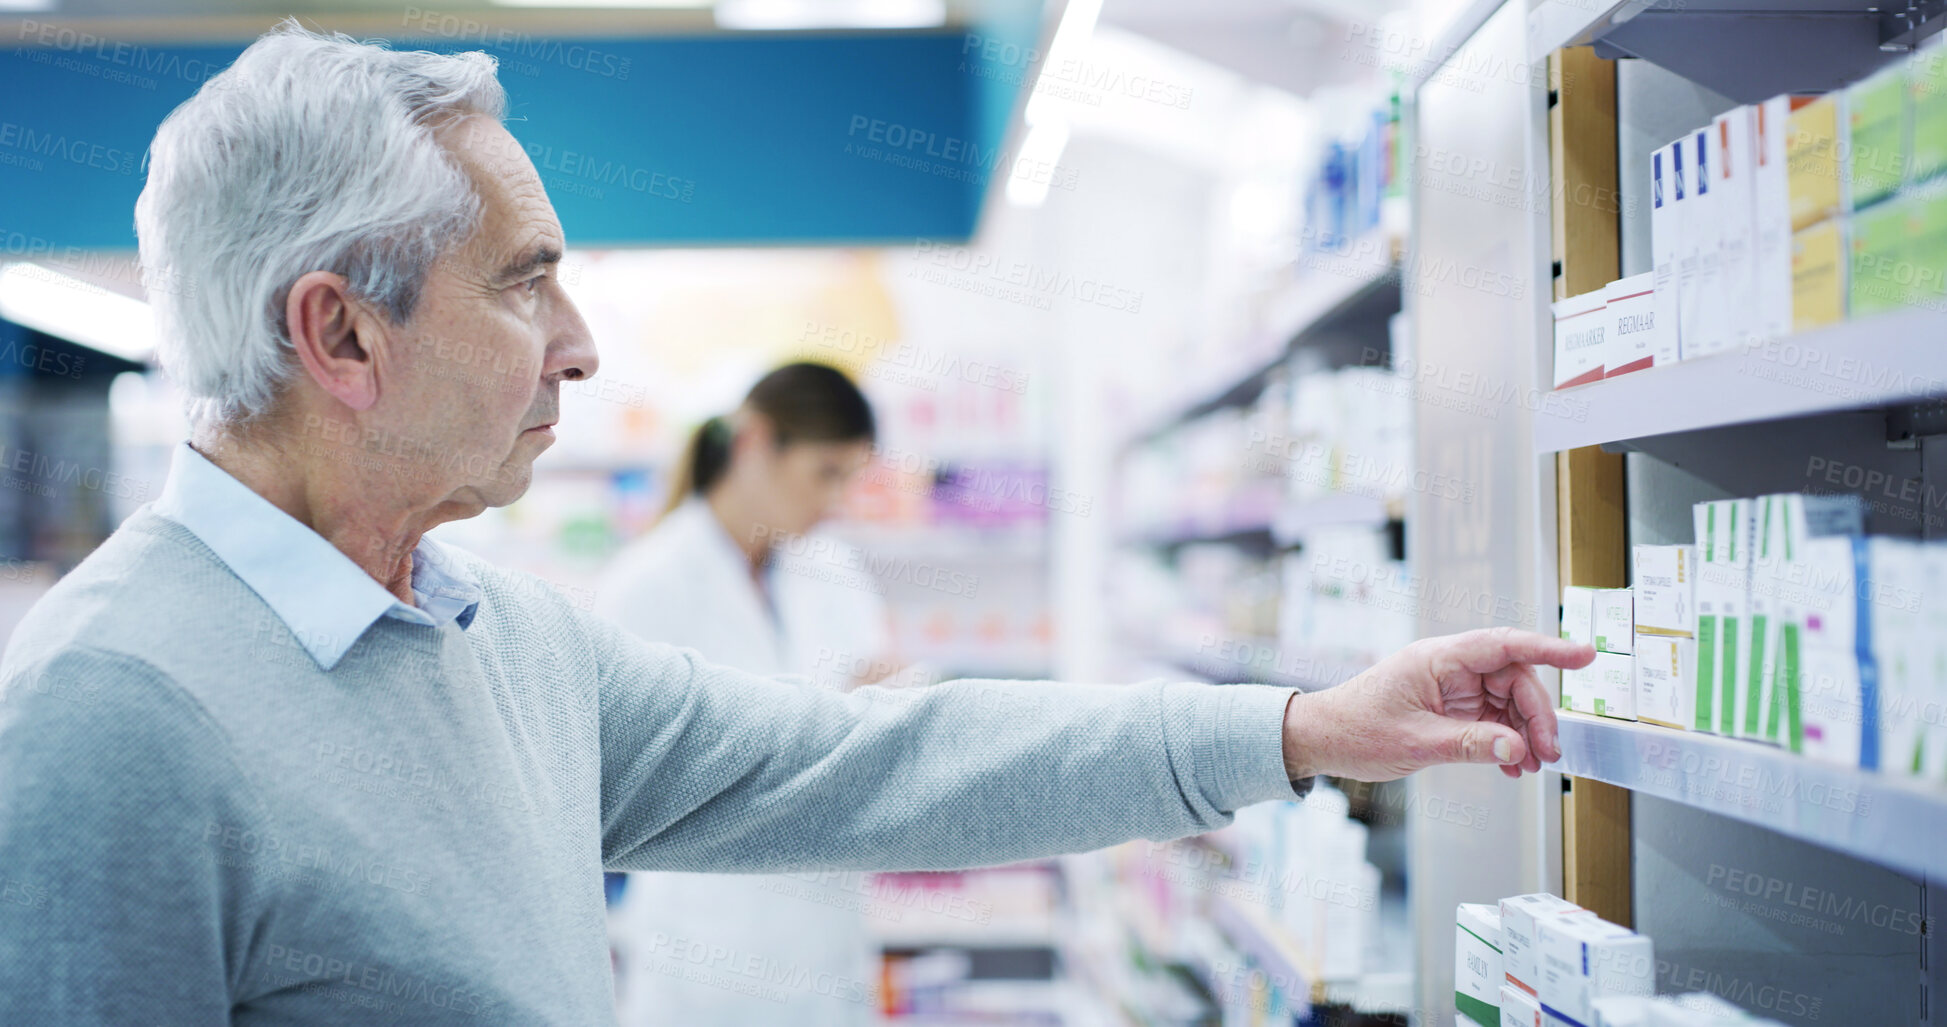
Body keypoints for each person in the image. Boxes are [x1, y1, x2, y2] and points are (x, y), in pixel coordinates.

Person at [0, 23, 1590, 1026]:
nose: (578, 342)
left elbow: (874, 760)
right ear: (341, 336)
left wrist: (1303, 724)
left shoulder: (495, 635)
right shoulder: (113, 713)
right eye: (520, 277)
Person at [598, 362, 894, 1026]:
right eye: (826, 473)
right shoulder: (647, 585)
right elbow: (633, 779)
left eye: (850, 477)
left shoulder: (833, 569)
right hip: (707, 949)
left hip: (827, 940)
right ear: (757, 442)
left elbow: (886, 700)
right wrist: (833, 728)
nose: (836, 499)